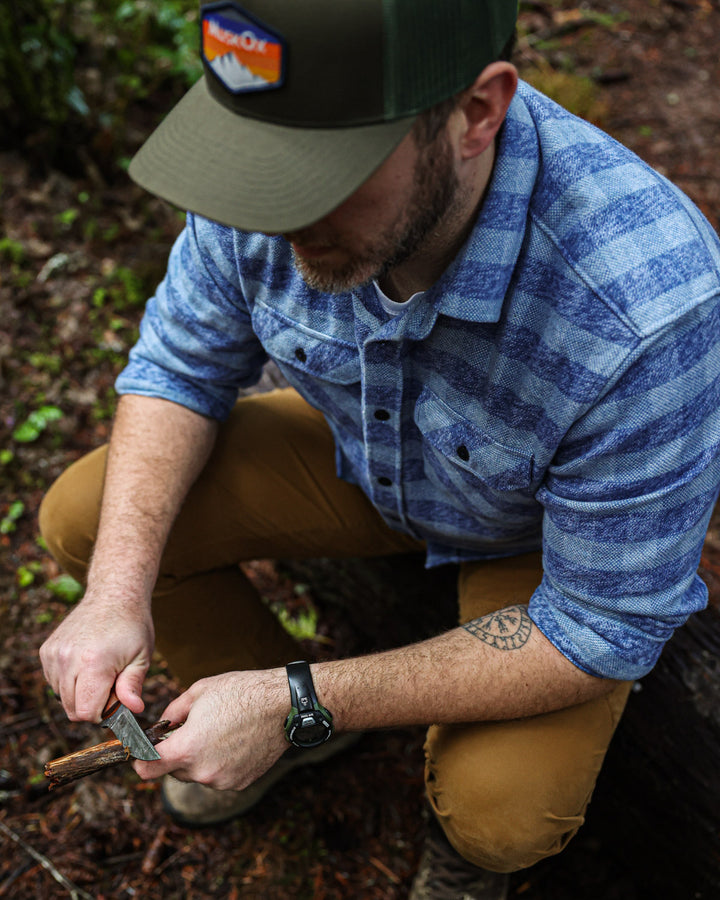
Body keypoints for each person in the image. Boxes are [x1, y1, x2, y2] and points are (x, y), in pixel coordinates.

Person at [38, 1, 720, 897]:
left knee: (504, 814)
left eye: (320, 174)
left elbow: (603, 623)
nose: (273, 216)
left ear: (477, 113)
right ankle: (251, 722)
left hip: (539, 541)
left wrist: (304, 697)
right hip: (361, 454)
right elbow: (179, 364)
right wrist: (117, 593)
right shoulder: (273, 174)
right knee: (86, 523)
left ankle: (434, 837)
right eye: (255, 165)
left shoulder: (645, 312)